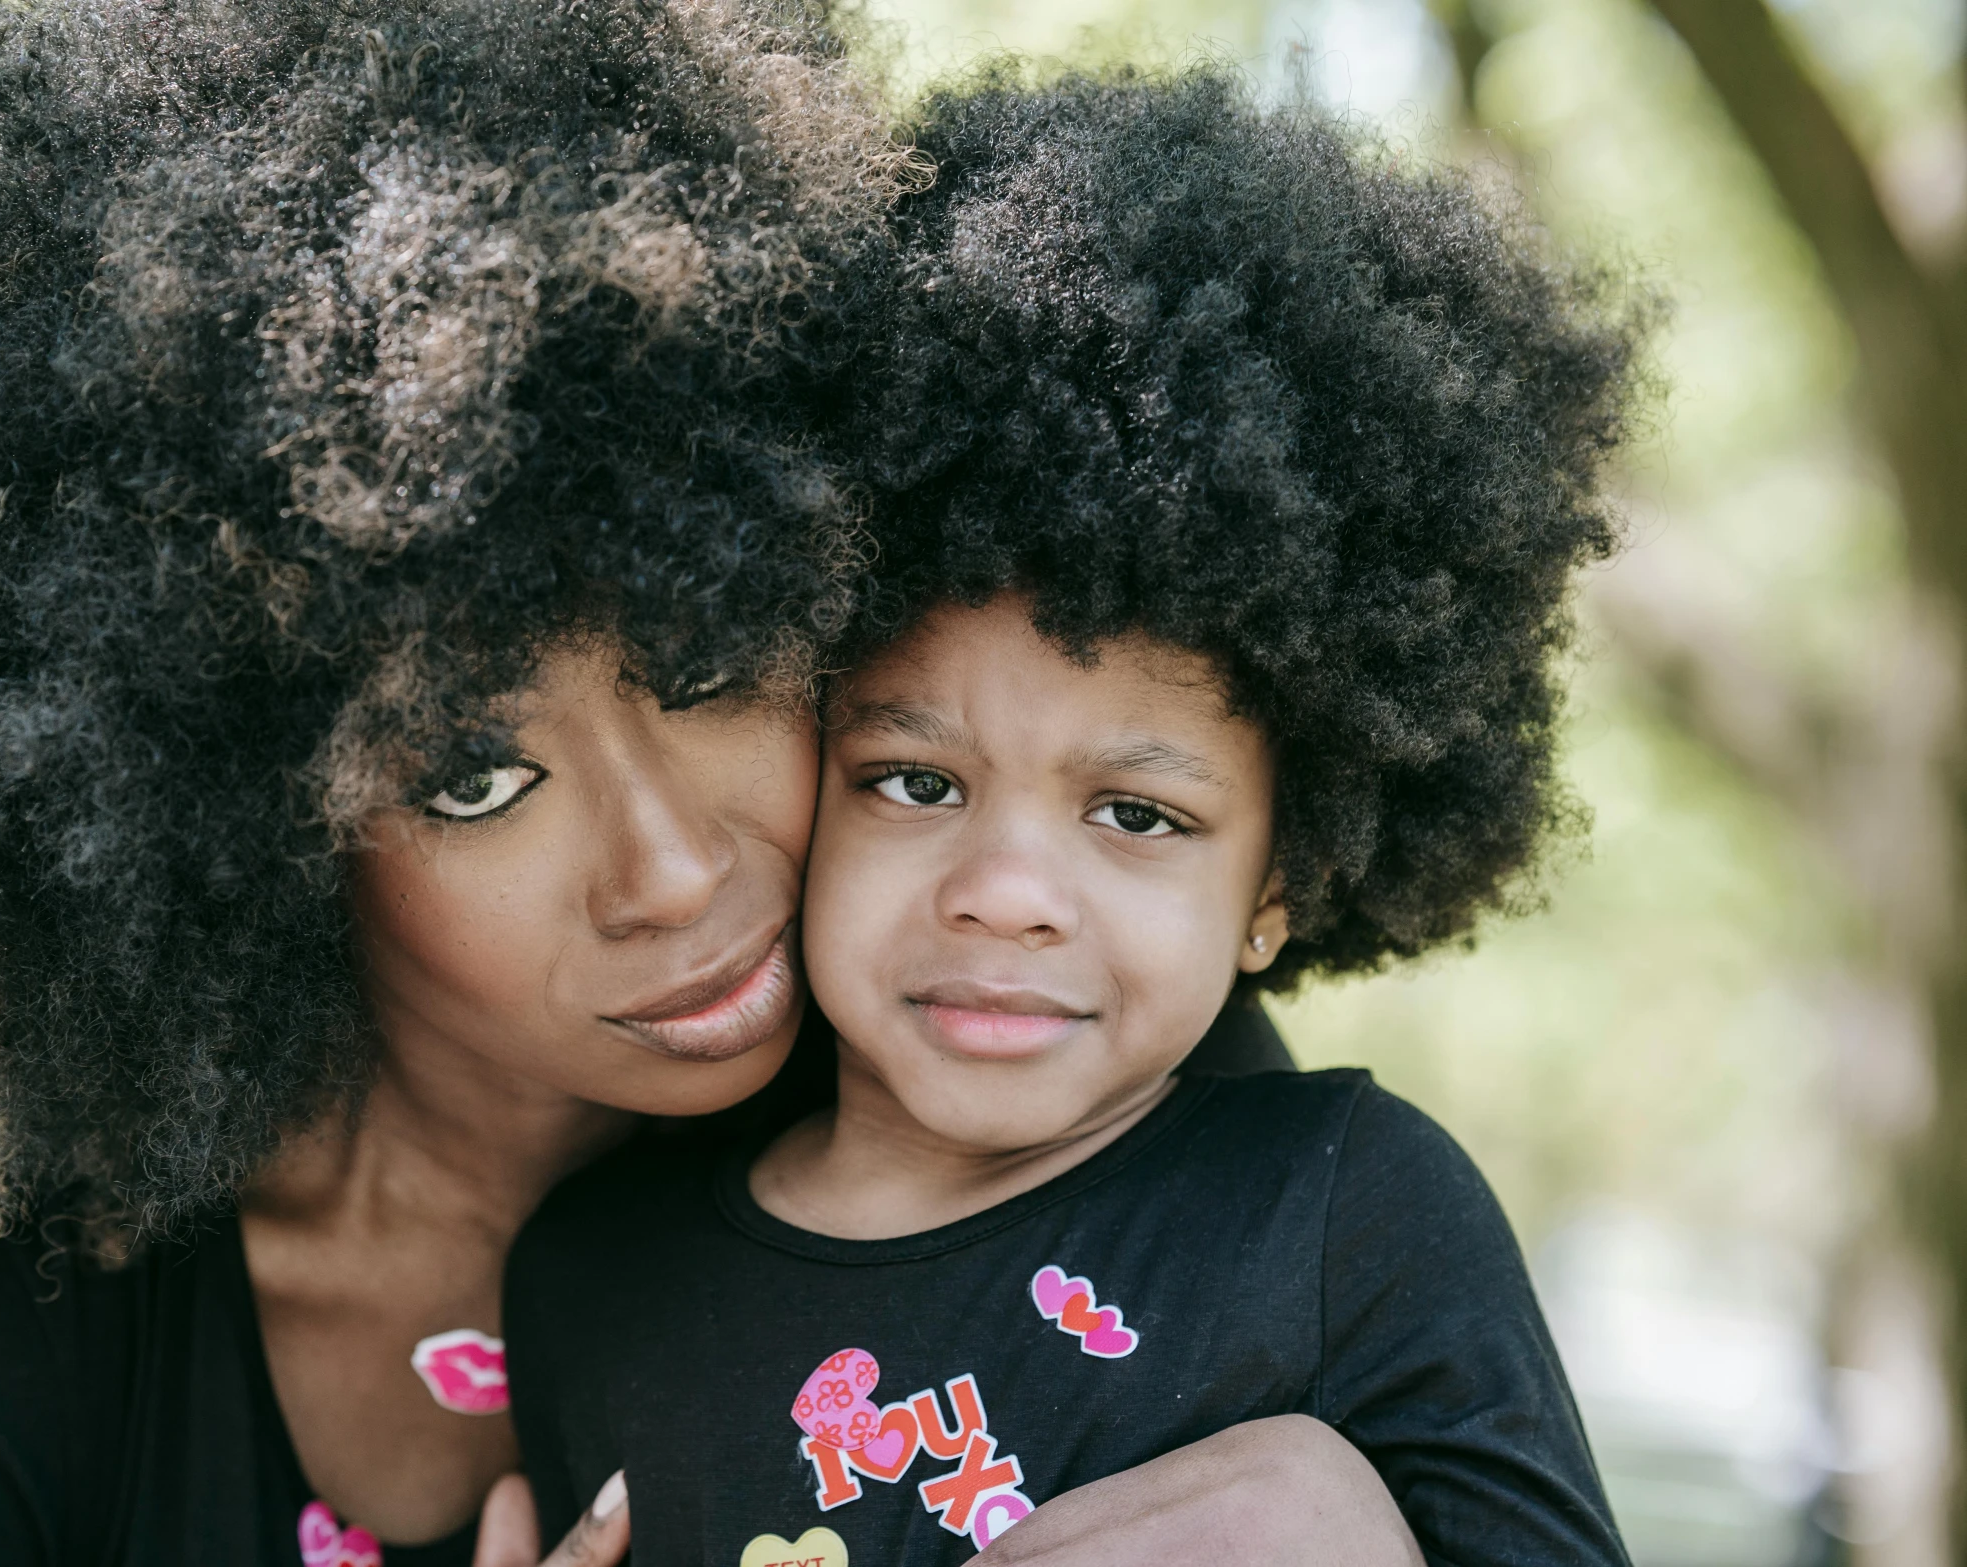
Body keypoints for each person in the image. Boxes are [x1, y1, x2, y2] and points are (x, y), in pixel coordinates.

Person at [0, 2, 1413, 1563]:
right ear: (234, 809)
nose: (668, 867)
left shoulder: (1046, 1087)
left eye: (708, 664)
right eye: (472, 774)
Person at [504, 63, 1644, 1566]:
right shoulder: (594, 1273)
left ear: (1277, 885)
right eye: (915, 784)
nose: (1005, 890)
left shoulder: (1345, 1215)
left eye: (1135, 813)